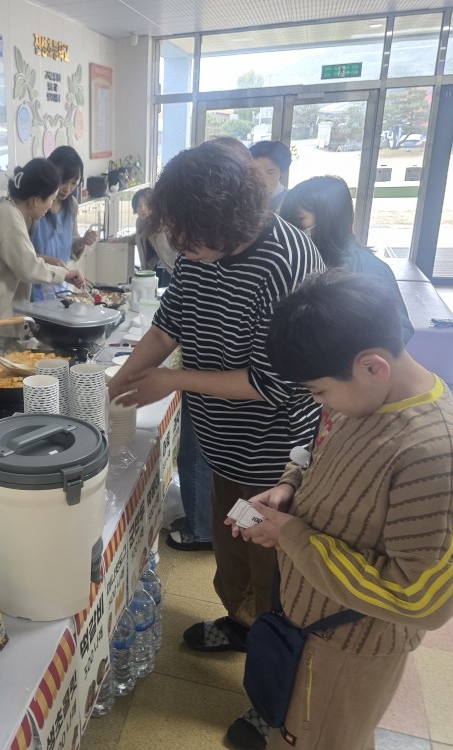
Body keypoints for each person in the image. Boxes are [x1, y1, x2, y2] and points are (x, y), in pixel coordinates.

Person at [106, 138, 323, 749]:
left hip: (273, 456)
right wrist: (120, 380)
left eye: (187, 235)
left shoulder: (286, 262)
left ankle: (274, 702)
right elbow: (170, 321)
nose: (180, 247)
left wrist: (172, 380)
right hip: (226, 443)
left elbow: (273, 383)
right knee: (233, 546)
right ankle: (241, 621)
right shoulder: (202, 246)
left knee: (277, 573)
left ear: (225, 217)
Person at [237, 269, 453, 749]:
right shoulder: (363, 396)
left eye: (319, 391)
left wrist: (290, 535)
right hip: (311, 626)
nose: (320, 403)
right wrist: (290, 486)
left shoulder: (431, 452)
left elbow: (424, 598)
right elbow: (320, 451)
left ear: (373, 366)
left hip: (349, 649)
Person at [0, 158, 86, 383]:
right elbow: (28, 269)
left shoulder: (4, 210)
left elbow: (16, 259)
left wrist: (43, 259)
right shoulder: (9, 217)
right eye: (51, 199)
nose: (50, 207)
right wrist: (65, 274)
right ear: (36, 200)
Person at [280, 175, 414, 342]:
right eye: (287, 222)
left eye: (299, 220)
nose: (291, 229)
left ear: (329, 219)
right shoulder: (297, 260)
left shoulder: (368, 270)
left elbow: (399, 331)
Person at [31, 146, 98, 301]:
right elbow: (22, 254)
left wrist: (82, 241)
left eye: (73, 183)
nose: (67, 189)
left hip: (62, 284)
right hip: (35, 286)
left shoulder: (71, 205)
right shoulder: (35, 205)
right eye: (63, 181)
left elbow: (70, 245)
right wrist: (49, 261)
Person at [248, 141, 291, 212]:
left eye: (270, 173)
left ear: (283, 172)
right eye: (256, 172)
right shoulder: (242, 198)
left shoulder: (293, 201)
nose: (262, 179)